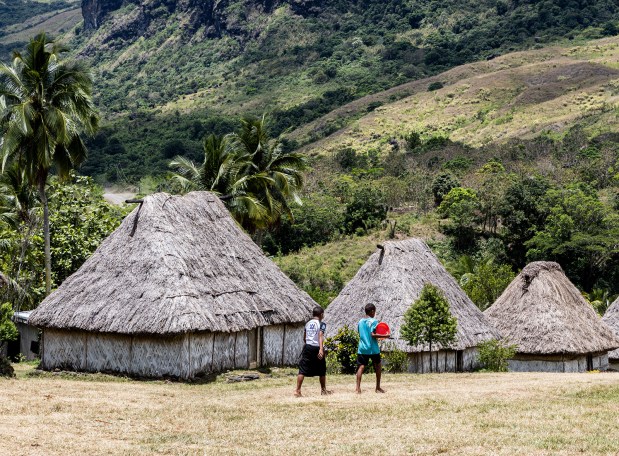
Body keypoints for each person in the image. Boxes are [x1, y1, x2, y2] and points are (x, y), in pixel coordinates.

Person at [295, 306, 332, 397]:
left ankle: (298, 390)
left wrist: (308, 344)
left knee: (302, 369)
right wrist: (321, 349)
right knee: (322, 369)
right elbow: (320, 335)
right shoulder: (321, 324)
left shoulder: (307, 323)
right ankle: (323, 390)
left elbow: (304, 337)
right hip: (316, 347)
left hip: (307, 347)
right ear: (321, 314)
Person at [356, 303, 388, 393]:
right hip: (373, 348)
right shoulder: (374, 321)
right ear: (372, 311)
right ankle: (377, 387)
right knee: (378, 366)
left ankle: (358, 388)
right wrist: (385, 335)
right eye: (375, 311)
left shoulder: (360, 321)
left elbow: (360, 333)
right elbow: (373, 334)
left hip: (362, 348)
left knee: (361, 367)